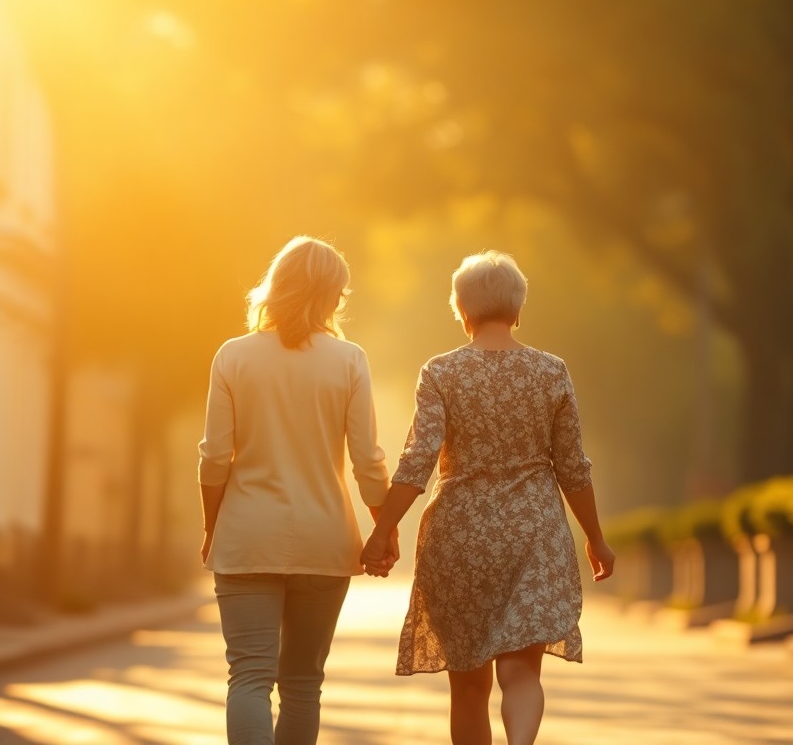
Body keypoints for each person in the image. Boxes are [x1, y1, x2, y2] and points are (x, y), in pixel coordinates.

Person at [361, 250, 615, 745]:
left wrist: (381, 530)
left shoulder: (441, 373)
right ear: (517, 309)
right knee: (522, 673)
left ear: (461, 310)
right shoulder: (551, 371)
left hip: (461, 537)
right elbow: (572, 467)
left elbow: (417, 462)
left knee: (470, 688)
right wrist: (596, 539)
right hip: (533, 533)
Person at [198, 236, 397, 745]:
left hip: (247, 539)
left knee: (248, 677)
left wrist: (211, 526)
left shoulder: (233, 357)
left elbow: (215, 458)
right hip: (323, 542)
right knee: (304, 685)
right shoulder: (349, 360)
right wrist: (384, 524)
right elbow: (368, 461)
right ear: (331, 295)